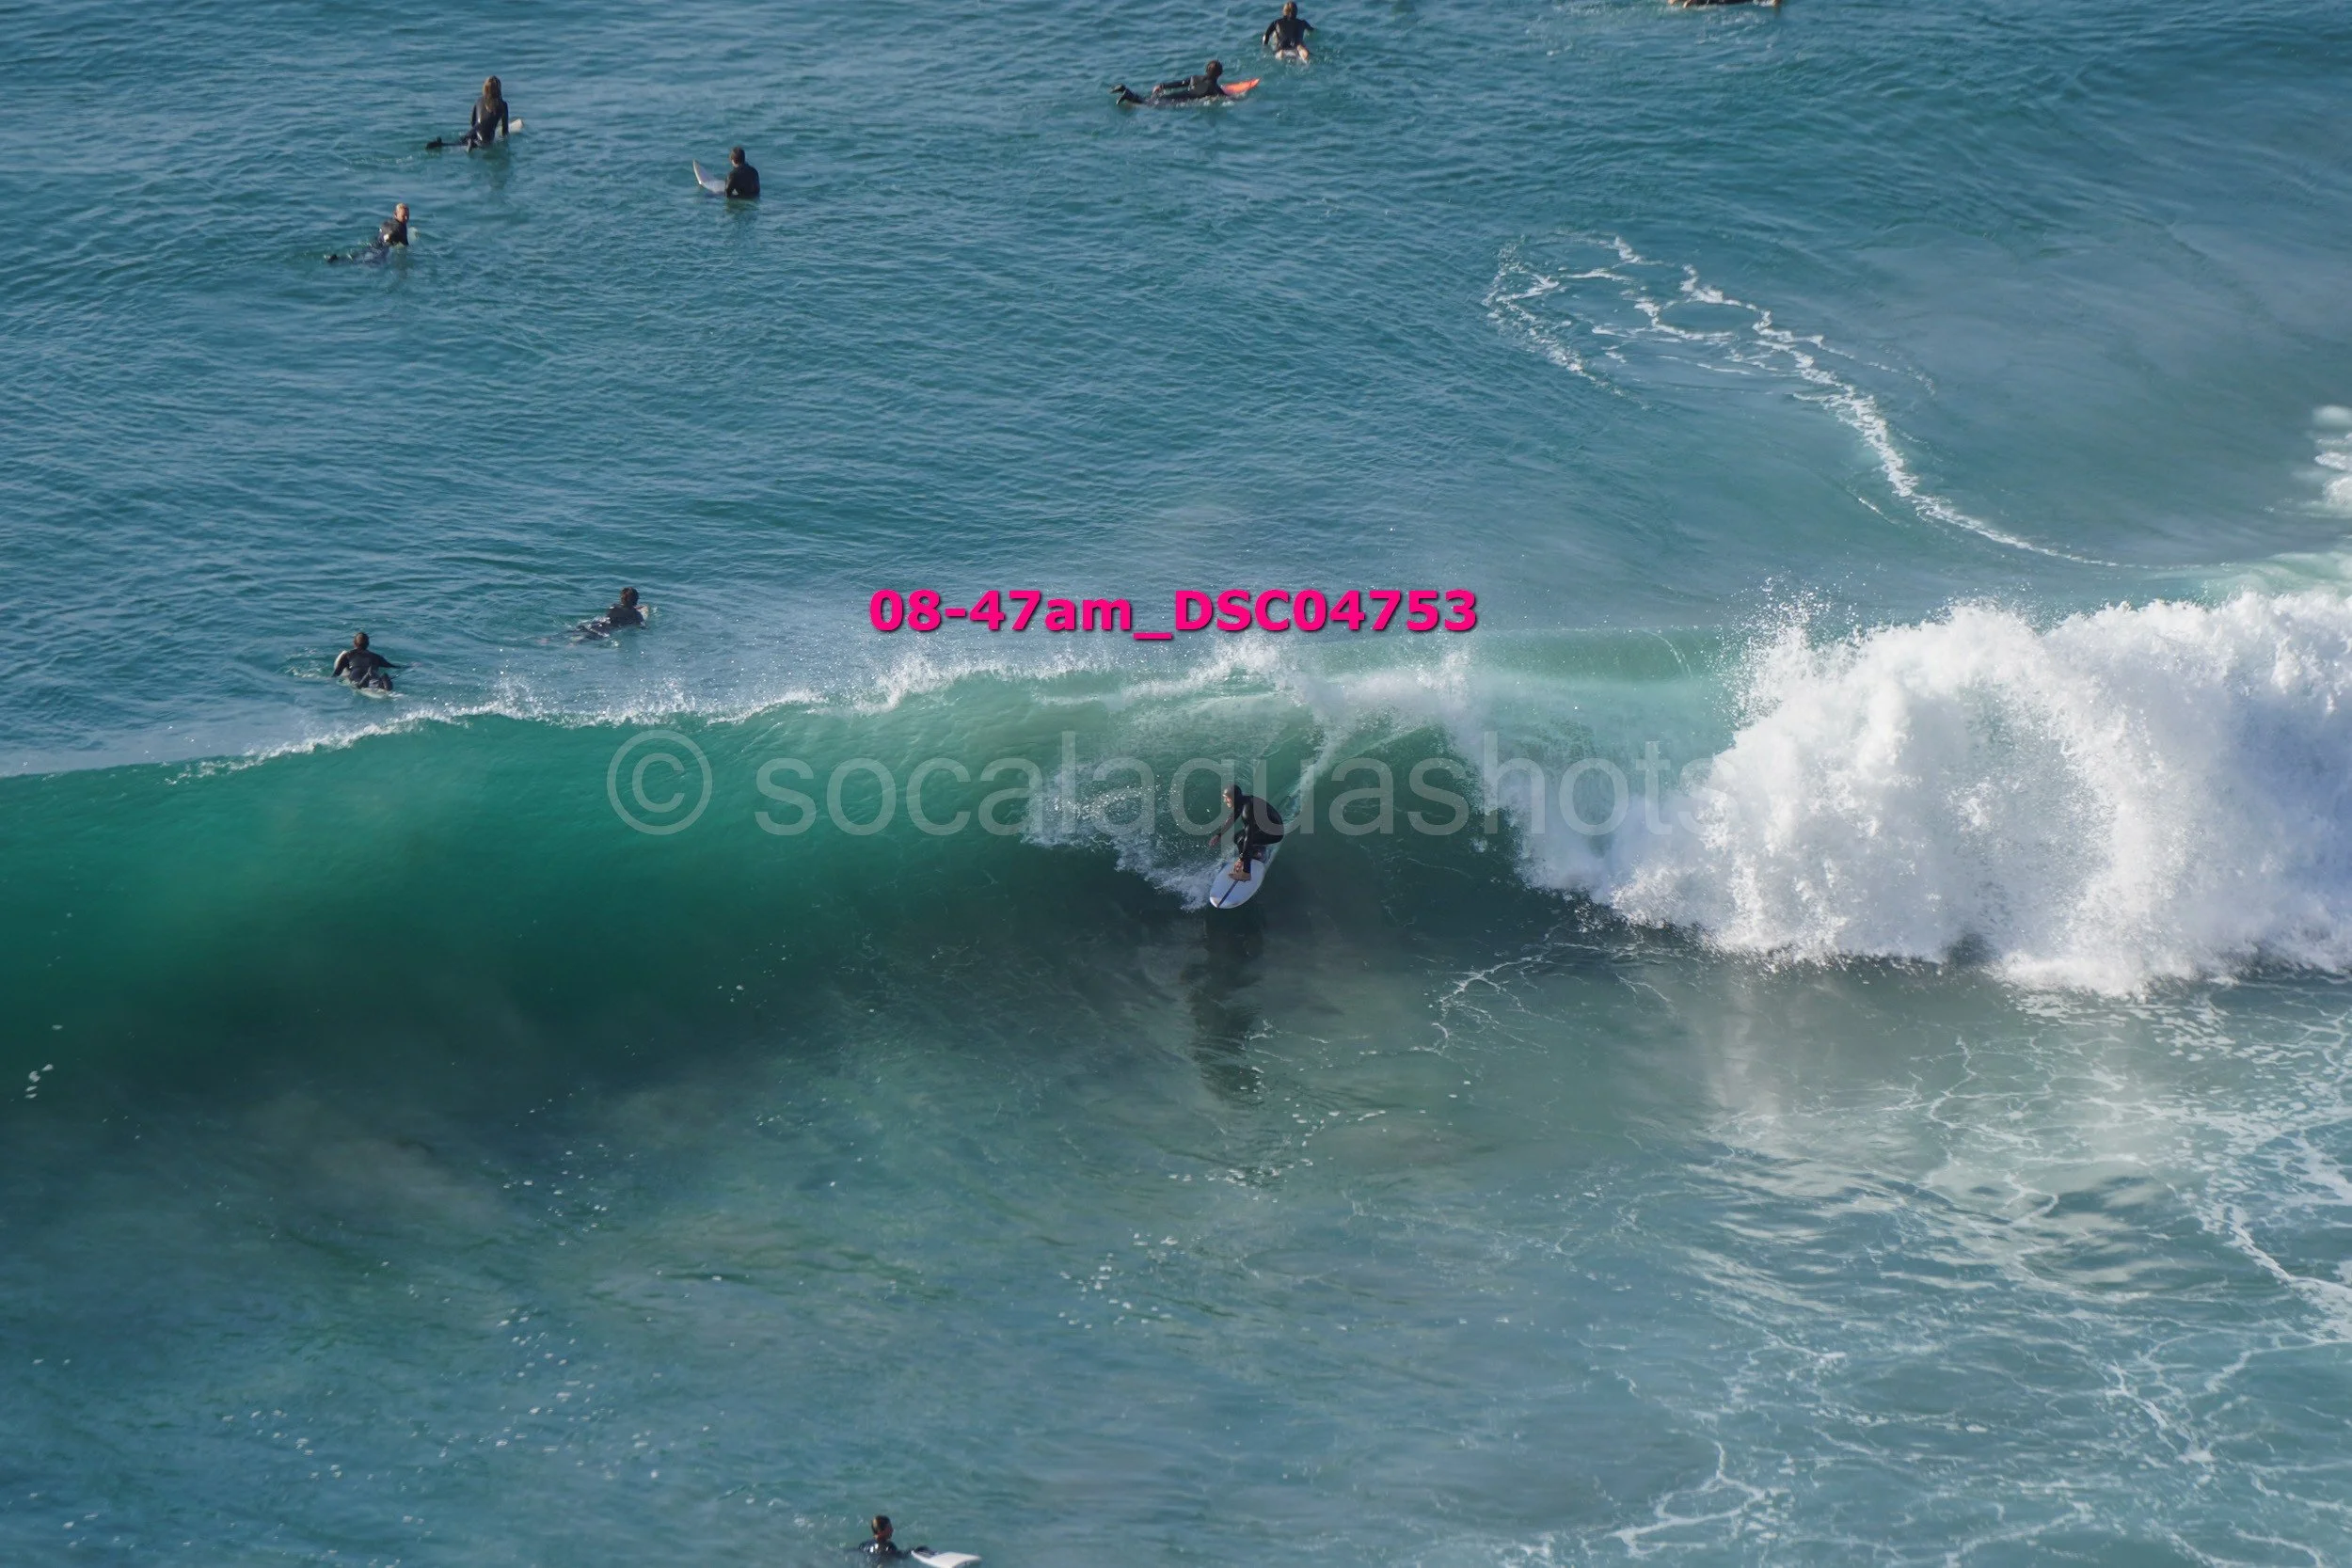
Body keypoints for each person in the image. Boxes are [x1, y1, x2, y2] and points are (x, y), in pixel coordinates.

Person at [1212, 784, 1286, 881]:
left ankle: (1246, 874)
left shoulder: (1247, 811)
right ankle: (1255, 853)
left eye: (1226, 798)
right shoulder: (1243, 801)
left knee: (1241, 841)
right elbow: (1231, 818)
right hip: (1267, 826)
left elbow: (1248, 837)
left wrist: (1242, 858)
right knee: (1236, 837)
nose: (1224, 800)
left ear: (1233, 798)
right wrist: (1219, 835)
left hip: (1275, 833)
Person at [1114, 59, 1230, 104]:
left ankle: (1124, 90)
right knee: (1148, 104)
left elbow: (1179, 83)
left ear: (1206, 70)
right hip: (1178, 100)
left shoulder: (1195, 78)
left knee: (1150, 99)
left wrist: (1162, 86)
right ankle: (1127, 93)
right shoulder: (1214, 89)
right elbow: (1228, 98)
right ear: (1220, 74)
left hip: (1175, 94)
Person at [327, 203, 408, 263]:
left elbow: (383, 230)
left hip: (375, 243)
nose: (406, 218)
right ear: (395, 214)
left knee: (360, 254)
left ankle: (338, 259)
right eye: (403, 216)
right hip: (383, 248)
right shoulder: (401, 227)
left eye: (408, 215)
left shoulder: (387, 222)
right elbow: (404, 243)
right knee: (373, 262)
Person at [331, 632, 402, 691]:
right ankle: (384, 679)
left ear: (354, 643)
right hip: (373, 672)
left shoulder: (347, 655)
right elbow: (392, 666)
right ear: (368, 644)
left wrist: (329, 679)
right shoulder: (376, 656)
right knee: (376, 682)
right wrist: (409, 666)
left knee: (358, 686)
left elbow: (337, 673)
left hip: (356, 672)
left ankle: (367, 676)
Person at [463, 75, 511, 148]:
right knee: (483, 145)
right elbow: (505, 130)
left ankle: (441, 144)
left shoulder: (479, 100)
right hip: (486, 137)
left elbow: (472, 122)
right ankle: (474, 144)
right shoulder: (503, 105)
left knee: (458, 143)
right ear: (499, 89)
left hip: (472, 132)